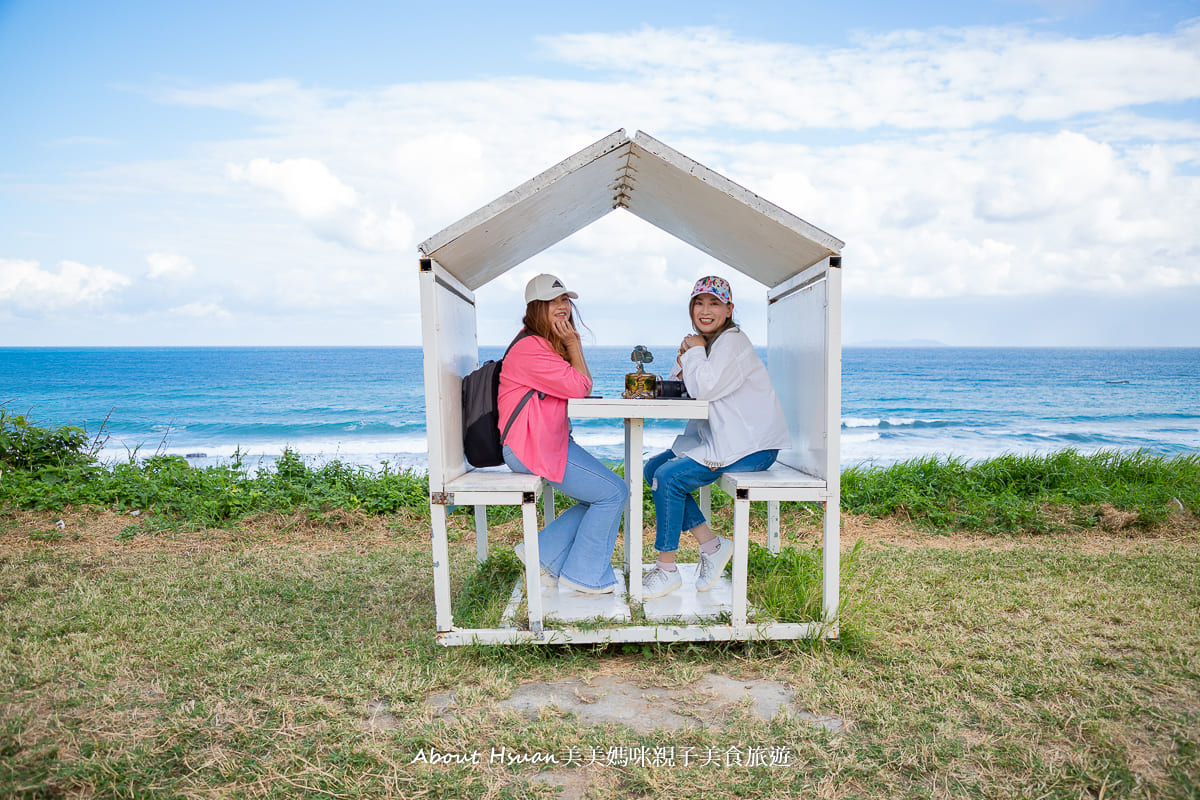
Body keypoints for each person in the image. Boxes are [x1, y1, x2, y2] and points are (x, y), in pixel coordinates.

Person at [641, 275, 791, 599]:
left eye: (714, 303)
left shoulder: (732, 342)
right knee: (653, 468)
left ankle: (666, 569)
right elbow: (684, 392)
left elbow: (704, 390)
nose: (705, 310)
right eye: (699, 302)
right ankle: (713, 545)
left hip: (753, 446)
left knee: (669, 478)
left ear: (728, 310)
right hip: (725, 438)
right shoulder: (706, 344)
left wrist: (694, 353)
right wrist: (686, 358)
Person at [499, 273, 628, 594]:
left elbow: (573, 385)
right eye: (553, 301)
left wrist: (567, 346)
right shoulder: (530, 348)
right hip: (530, 447)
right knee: (613, 493)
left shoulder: (539, 345)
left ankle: (542, 554)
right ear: (535, 307)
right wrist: (573, 343)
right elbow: (581, 386)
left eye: (564, 300)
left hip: (543, 443)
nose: (562, 307)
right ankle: (583, 576)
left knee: (603, 494)